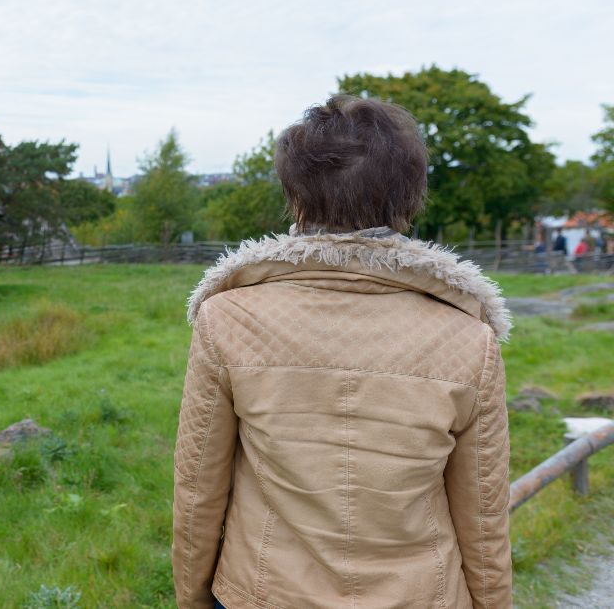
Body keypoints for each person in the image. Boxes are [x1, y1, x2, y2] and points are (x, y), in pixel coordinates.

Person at [174, 95, 512, 609]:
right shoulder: (470, 339)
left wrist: (194, 596)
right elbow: (484, 514)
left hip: (264, 593)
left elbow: (198, 489)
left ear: (297, 201)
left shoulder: (229, 320)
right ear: (407, 202)